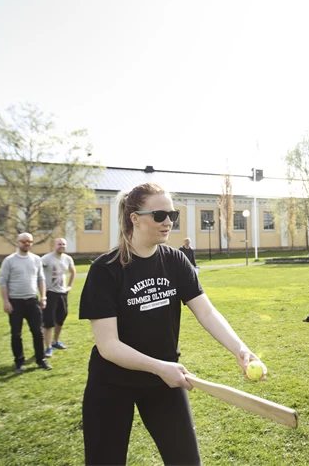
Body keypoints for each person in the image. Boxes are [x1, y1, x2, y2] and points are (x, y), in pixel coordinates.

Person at [80, 183, 265, 465]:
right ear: (134, 218)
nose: (168, 222)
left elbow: (207, 313)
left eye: (172, 215)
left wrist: (240, 349)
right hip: (112, 383)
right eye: (159, 215)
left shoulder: (175, 261)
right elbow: (108, 346)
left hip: (164, 381)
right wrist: (160, 367)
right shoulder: (105, 270)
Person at [0, 232, 51, 372]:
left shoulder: (36, 259)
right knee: (16, 333)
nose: (27, 244)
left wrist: (43, 297)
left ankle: (41, 360)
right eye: (23, 241)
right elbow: (2, 282)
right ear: (17, 242)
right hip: (15, 302)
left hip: (32, 301)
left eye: (29, 241)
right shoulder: (9, 260)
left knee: (37, 331)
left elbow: (41, 279)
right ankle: (19, 362)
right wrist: (6, 301)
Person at [41, 238, 76, 358]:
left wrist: (69, 286)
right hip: (50, 293)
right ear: (54, 245)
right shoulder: (46, 258)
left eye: (63, 244)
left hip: (62, 293)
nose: (62, 246)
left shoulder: (67, 258)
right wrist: (42, 288)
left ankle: (55, 341)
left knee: (61, 318)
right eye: (59, 244)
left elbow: (73, 272)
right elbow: (37, 271)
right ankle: (48, 347)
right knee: (48, 321)